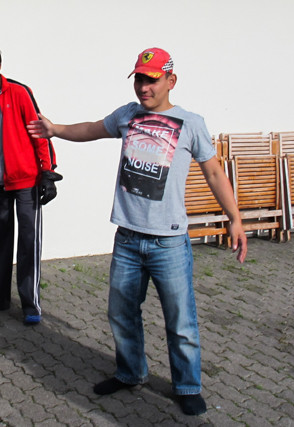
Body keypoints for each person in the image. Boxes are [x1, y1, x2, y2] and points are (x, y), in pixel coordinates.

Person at [27, 47, 247, 416]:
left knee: (181, 321)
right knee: (121, 313)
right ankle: (130, 372)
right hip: (127, 238)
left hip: (169, 242)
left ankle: (187, 385)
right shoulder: (128, 115)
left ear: (171, 81)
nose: (144, 87)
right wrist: (56, 130)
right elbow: (93, 129)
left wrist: (235, 218)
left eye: (152, 80)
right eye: (139, 79)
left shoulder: (191, 123)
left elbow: (213, 172)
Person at [0, 43, 61, 325]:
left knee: (29, 243)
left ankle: (30, 304)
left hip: (26, 181)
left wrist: (47, 171)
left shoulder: (19, 92)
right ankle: (0, 297)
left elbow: (39, 132)